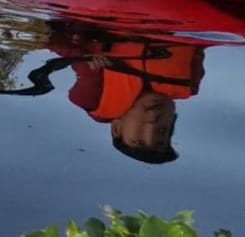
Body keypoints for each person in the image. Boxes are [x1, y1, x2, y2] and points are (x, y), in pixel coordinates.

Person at [57, 35, 203, 164]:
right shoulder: (191, 81)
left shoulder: (93, 96)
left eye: (138, 136)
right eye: (162, 130)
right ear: (172, 118)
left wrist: (85, 60)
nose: (152, 123)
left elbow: (56, 42)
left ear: (117, 128)